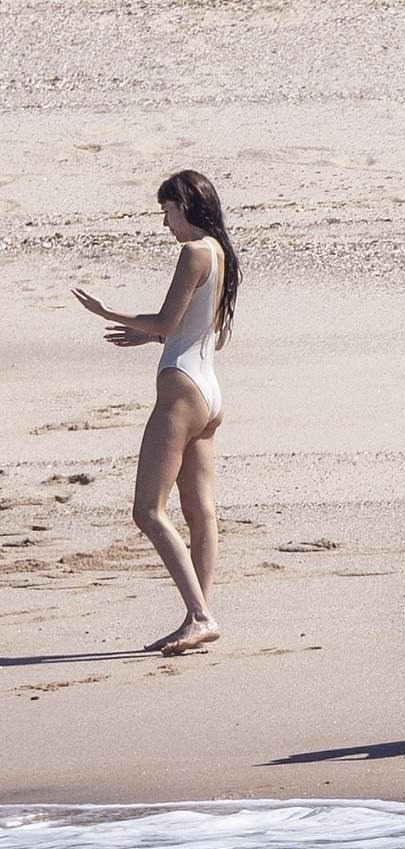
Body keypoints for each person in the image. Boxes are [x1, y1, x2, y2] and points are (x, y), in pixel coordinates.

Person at [72, 169, 241, 656]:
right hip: (210, 392)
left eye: (166, 212)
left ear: (185, 206)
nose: (165, 223)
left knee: (148, 510)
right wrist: (147, 336)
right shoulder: (220, 252)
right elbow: (200, 328)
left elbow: (168, 321)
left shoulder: (192, 252)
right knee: (200, 511)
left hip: (182, 390)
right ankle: (199, 616)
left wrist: (111, 314)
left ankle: (202, 615)